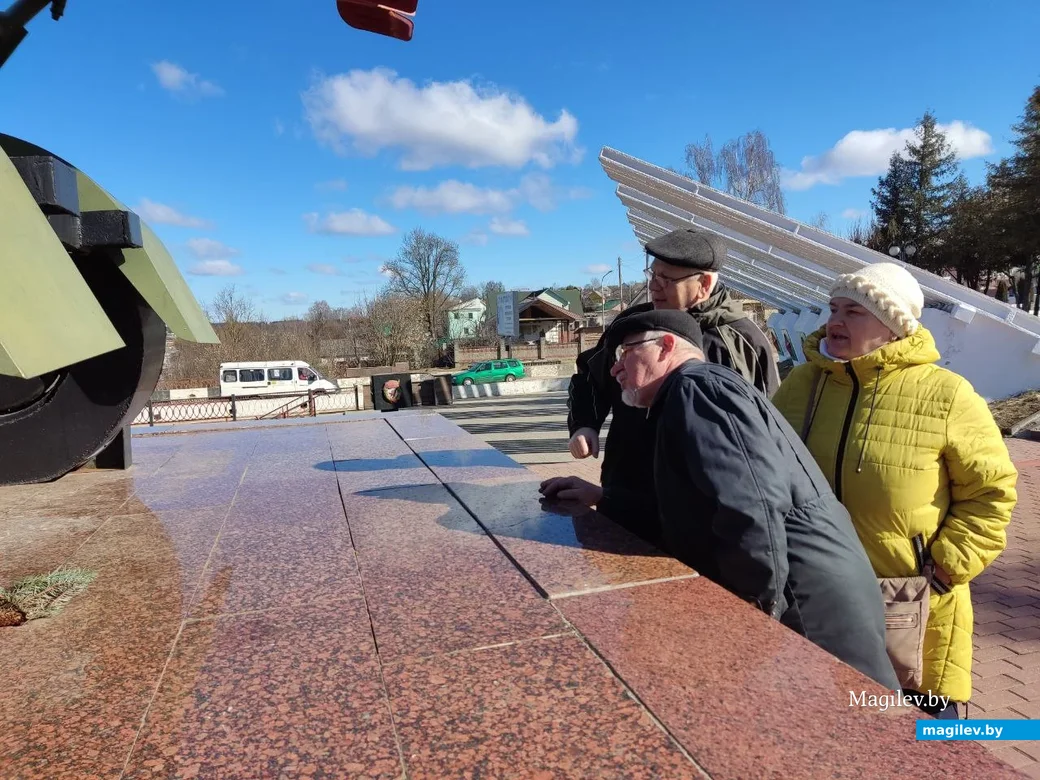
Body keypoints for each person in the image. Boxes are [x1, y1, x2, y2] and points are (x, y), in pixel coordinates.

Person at [545, 308, 900, 689]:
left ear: (666, 347)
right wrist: (602, 497)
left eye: (624, 354)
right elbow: (695, 509)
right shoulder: (688, 393)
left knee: (865, 722)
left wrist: (748, 614)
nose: (614, 372)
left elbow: (752, 509)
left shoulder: (697, 387)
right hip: (802, 586)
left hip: (805, 599)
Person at [771, 262, 1018, 718]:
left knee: (918, 738)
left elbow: (992, 493)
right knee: (831, 728)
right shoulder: (802, 385)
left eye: (854, 311)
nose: (835, 322)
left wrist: (944, 569)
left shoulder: (948, 395)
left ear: (894, 325)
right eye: (832, 308)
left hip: (911, 605)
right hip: (814, 597)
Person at [542, 228, 780, 544]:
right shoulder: (633, 326)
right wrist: (585, 425)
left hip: (707, 517)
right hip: (623, 493)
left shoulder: (744, 342)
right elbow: (589, 377)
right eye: (652, 275)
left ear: (704, 284)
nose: (654, 286)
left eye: (667, 279)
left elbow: (768, 433)